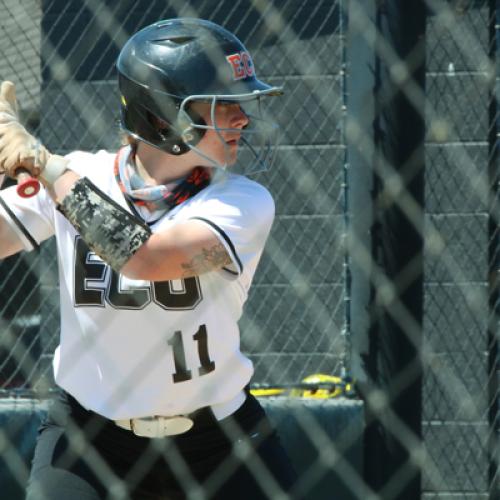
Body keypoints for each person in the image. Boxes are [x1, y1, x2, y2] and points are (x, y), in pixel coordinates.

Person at [0, 18, 298, 500]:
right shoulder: (78, 176)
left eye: (241, 105)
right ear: (161, 117)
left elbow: (146, 260)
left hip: (218, 441)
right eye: (223, 106)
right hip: (88, 437)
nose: (242, 119)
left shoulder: (244, 202)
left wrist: (44, 165)